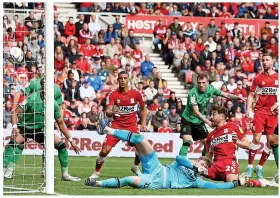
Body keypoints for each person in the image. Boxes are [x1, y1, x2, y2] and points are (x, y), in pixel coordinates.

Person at [84, 115, 246, 189]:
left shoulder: (197, 181)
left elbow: (214, 187)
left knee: (129, 180)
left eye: (203, 163)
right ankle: (106, 129)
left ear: (204, 169)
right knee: (141, 139)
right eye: (200, 161)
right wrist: (194, 166)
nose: (200, 163)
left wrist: (234, 183)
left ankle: (97, 183)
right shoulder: (188, 164)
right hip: (158, 167)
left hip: (157, 182)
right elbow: (178, 157)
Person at [3, 79, 81, 181]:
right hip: (25, 127)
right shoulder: (31, 98)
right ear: (42, 88)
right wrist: (14, 127)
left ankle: (65, 174)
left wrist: (71, 141)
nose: (47, 90)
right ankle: (6, 168)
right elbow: (14, 112)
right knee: (14, 143)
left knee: (62, 146)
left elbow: (61, 123)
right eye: (44, 87)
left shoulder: (53, 104)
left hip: (41, 129)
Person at [88, 71, 147, 179]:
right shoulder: (113, 94)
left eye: (125, 78)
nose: (123, 80)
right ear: (118, 80)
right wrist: (111, 112)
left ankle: (135, 166)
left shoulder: (136, 93)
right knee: (105, 150)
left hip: (131, 126)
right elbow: (108, 110)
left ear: (128, 79)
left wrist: (143, 123)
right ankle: (96, 173)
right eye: (121, 78)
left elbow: (143, 109)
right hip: (116, 126)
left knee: (141, 148)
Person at [179, 72, 246, 158]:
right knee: (187, 141)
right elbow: (196, 112)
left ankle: (203, 163)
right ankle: (179, 166)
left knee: (208, 143)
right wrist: (208, 122)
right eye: (199, 83)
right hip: (188, 119)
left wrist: (238, 97)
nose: (201, 85)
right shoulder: (193, 93)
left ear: (207, 82)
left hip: (198, 121)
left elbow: (226, 95)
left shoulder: (211, 89)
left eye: (203, 83)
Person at [245, 53, 278, 179]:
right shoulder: (258, 78)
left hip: (274, 114)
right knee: (257, 139)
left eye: (267, 60)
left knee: (271, 142)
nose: (264, 62)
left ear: (272, 62)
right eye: (263, 60)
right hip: (260, 112)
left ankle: (259, 167)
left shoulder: (278, 77)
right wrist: (248, 109)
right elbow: (251, 95)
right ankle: (249, 167)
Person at [203, 106, 251, 183]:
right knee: (198, 173)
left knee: (231, 182)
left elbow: (248, 145)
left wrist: (236, 142)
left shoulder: (233, 126)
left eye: (214, 114)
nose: (211, 117)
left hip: (229, 161)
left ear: (222, 116)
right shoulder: (210, 136)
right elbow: (208, 158)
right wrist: (202, 167)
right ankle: (239, 180)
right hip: (216, 166)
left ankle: (241, 181)